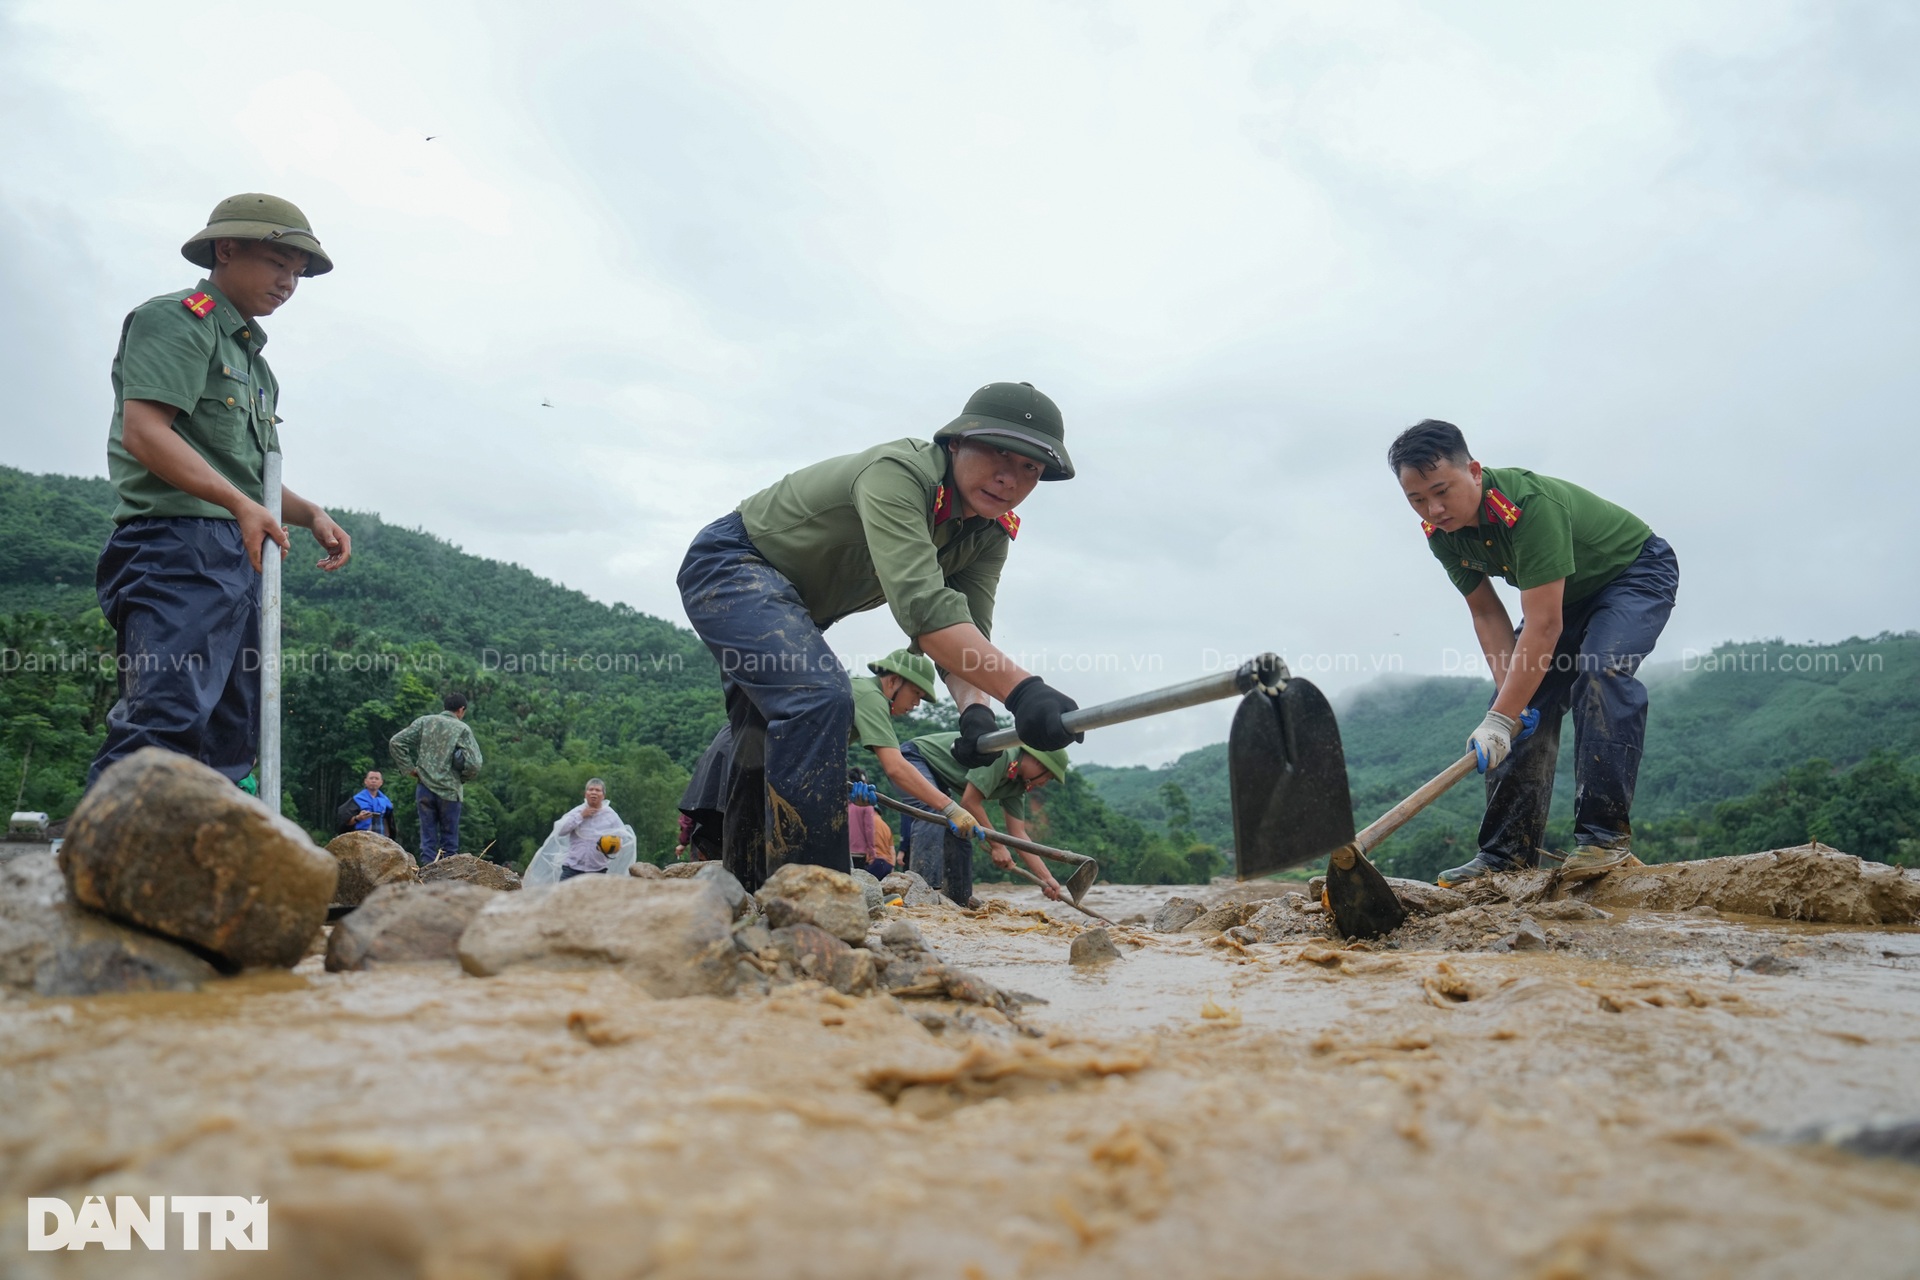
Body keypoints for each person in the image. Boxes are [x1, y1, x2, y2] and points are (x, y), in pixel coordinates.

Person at [676, 382, 1085, 892]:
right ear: (956, 442)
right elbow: (924, 610)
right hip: (735, 564)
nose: (1010, 478)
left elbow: (967, 635)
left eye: (1031, 468)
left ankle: (749, 889)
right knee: (819, 696)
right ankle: (814, 895)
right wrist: (1025, 693)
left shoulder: (988, 532)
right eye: (998, 452)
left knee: (759, 737)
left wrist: (975, 712)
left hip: (797, 610)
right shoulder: (900, 475)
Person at [87, 194, 350, 790]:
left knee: (231, 732)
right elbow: (145, 433)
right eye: (278, 263)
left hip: (239, 554)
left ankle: (203, 875)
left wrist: (308, 513)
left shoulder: (256, 363)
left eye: (299, 273)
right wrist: (238, 504)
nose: (289, 282)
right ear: (226, 250)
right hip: (175, 548)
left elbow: (244, 474)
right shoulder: (179, 319)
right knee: (165, 718)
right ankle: (114, 873)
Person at [1388, 419, 1679, 886]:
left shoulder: (1527, 507)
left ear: (1475, 472)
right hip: (1561, 596)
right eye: (1417, 499)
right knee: (1517, 703)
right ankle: (1506, 856)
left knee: (1600, 672)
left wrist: (1504, 717)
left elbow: (1543, 626)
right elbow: (1486, 613)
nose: (1434, 508)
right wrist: (1509, 707)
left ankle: (1603, 840)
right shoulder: (1441, 534)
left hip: (1630, 575)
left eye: (1442, 491)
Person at [897, 730, 1068, 906]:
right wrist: (997, 846)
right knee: (933, 811)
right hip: (914, 758)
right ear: (1038, 763)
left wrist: (1046, 878)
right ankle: (922, 894)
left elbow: (1018, 834)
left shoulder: (1016, 785)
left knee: (960, 834)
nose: (1043, 783)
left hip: (939, 782)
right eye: (1047, 777)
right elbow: (970, 803)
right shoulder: (1000, 753)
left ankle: (958, 902)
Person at [389, 693, 483, 864]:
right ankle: (447, 879)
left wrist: (410, 769)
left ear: (445, 706)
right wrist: (462, 778)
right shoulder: (462, 728)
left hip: (424, 786)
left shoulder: (425, 722)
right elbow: (475, 763)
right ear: (461, 710)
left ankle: (426, 876)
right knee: (449, 840)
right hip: (450, 792)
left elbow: (396, 742)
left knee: (428, 838)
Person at [675, 724, 732, 861]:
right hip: (726, 830)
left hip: (705, 832)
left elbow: (688, 816)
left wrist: (683, 842)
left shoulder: (708, 767)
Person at [555, 778, 626, 880]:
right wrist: (581, 816)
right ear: (585, 794)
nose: (594, 792)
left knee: (595, 897)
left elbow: (622, 836)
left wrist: (614, 846)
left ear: (603, 795)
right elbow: (561, 831)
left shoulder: (611, 815)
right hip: (572, 868)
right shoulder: (577, 811)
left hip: (598, 870)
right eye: (590, 789)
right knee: (561, 896)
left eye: (597, 790)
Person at [337, 769, 396, 839]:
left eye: (377, 779)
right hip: (361, 839)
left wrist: (389, 839)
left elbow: (388, 822)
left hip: (381, 839)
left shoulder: (386, 802)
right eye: (371, 778)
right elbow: (345, 822)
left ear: (381, 782)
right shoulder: (357, 800)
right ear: (365, 781)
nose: (374, 781)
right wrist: (358, 818)